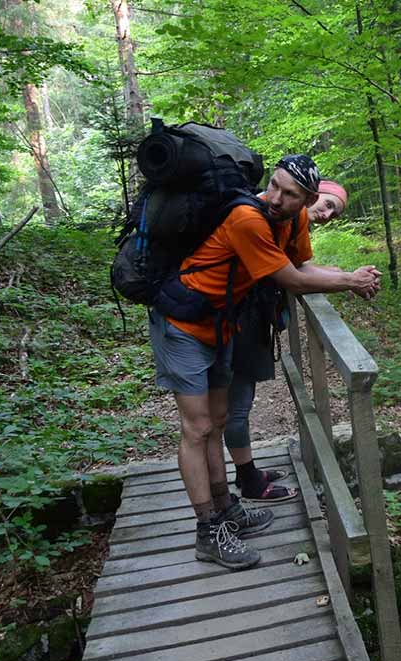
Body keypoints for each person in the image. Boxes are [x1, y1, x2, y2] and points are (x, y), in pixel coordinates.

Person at [149, 155, 380, 570]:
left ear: (307, 199)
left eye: (289, 194)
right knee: (197, 427)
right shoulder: (247, 218)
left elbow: (302, 265)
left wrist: (348, 274)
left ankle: (226, 509)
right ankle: (208, 531)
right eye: (273, 185)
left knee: (216, 422)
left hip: (219, 323)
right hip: (182, 323)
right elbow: (288, 280)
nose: (275, 197)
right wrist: (349, 282)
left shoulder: (295, 222)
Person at [225, 177, 351, 502]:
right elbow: (294, 278)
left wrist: (339, 275)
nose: (326, 214)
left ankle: (246, 473)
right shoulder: (259, 217)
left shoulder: (287, 222)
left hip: (243, 315)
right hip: (230, 318)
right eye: (326, 205)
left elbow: (295, 265)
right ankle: (244, 485)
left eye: (334, 214)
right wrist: (348, 280)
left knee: (239, 403)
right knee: (234, 407)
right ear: (310, 196)